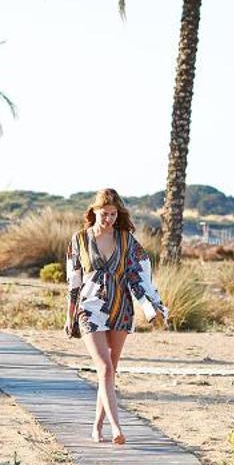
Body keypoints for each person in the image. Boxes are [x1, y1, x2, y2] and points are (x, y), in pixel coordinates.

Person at [65, 187, 168, 444]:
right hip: (89, 307)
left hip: (120, 307)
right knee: (104, 366)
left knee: (110, 371)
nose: (108, 218)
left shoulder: (127, 241)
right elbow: (73, 282)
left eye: (113, 214)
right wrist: (69, 316)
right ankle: (115, 427)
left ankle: (97, 426)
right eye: (104, 213)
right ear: (94, 212)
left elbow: (139, 276)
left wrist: (151, 306)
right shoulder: (79, 239)